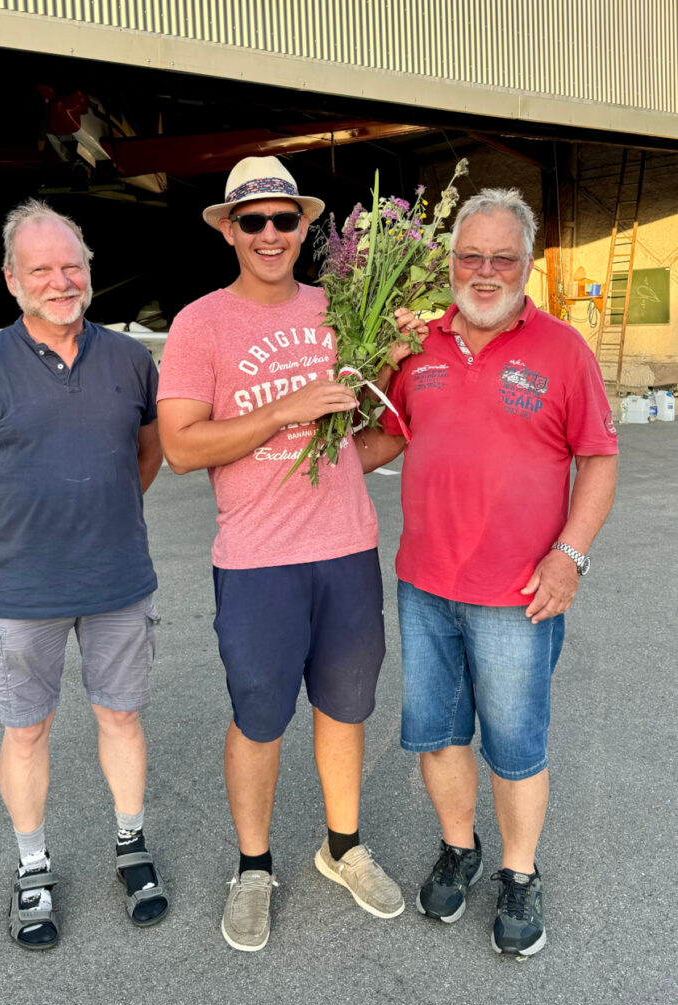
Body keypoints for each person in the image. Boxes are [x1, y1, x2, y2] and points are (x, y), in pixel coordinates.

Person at [157, 155, 423, 952]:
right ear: (229, 231)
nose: (269, 234)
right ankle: (252, 868)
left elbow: (359, 434)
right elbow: (178, 447)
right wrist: (286, 409)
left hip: (345, 551)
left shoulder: (341, 307)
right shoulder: (200, 323)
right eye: (252, 221)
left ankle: (340, 848)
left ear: (307, 227)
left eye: (283, 219)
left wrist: (399, 373)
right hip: (257, 561)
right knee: (260, 719)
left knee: (345, 711)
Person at [356, 187, 619, 956]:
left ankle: (517, 871)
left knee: (513, 745)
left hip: (517, 594)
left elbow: (598, 459)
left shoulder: (562, 350)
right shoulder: (416, 346)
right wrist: (303, 451)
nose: (483, 271)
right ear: (450, 261)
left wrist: (568, 555)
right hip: (424, 584)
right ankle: (459, 847)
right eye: (469, 256)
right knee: (439, 738)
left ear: (526, 266)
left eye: (502, 258)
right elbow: (383, 439)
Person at [0, 199, 168, 949]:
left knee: (120, 714)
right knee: (27, 731)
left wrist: (112, 513)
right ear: (11, 278)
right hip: (24, 592)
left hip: (120, 579)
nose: (60, 281)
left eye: (72, 266)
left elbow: (147, 453)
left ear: (89, 272)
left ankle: (131, 845)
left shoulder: (129, 358)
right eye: (42, 269)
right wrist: (2, 532)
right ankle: (32, 867)